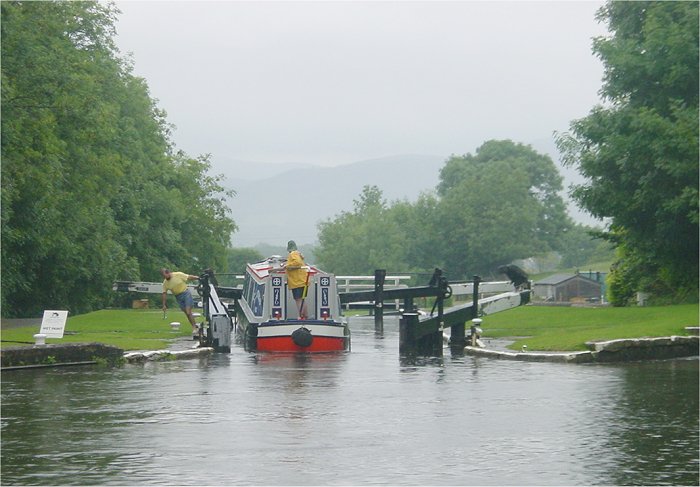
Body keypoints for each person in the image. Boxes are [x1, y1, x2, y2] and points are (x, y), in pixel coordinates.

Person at [161, 268, 200, 334]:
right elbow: (164, 293)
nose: (165, 278)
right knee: (187, 313)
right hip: (178, 297)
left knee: (188, 312)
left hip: (186, 293)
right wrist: (164, 305)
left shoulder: (178, 274)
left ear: (168, 273)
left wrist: (198, 278)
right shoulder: (165, 283)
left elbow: (188, 277)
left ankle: (194, 328)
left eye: (165, 276)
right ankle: (195, 325)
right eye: (163, 276)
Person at [284, 240, 308, 319]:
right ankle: (305, 315)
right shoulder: (298, 254)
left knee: (298, 299)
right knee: (302, 299)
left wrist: (287, 266)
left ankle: (301, 316)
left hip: (297, 281)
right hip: (303, 280)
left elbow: (297, 262)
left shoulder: (293, 254)